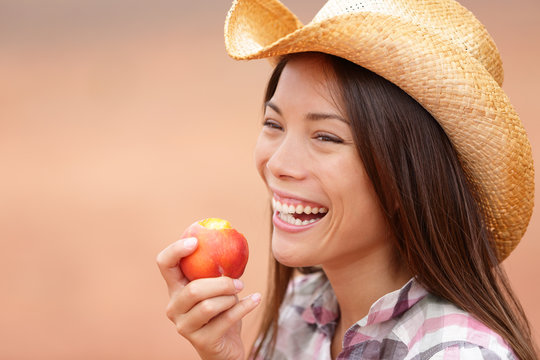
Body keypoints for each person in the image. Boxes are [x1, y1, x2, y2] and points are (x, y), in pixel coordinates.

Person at [157, 0, 538, 359]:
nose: (278, 163)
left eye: (326, 136)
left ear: (406, 177)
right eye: (274, 124)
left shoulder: (456, 353)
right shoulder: (303, 309)